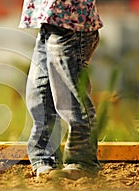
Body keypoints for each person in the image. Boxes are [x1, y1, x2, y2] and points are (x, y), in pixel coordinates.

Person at [19, 0, 103, 179]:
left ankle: (83, 161)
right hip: (49, 24)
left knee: (71, 99)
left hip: (71, 25)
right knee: (39, 94)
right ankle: (45, 158)